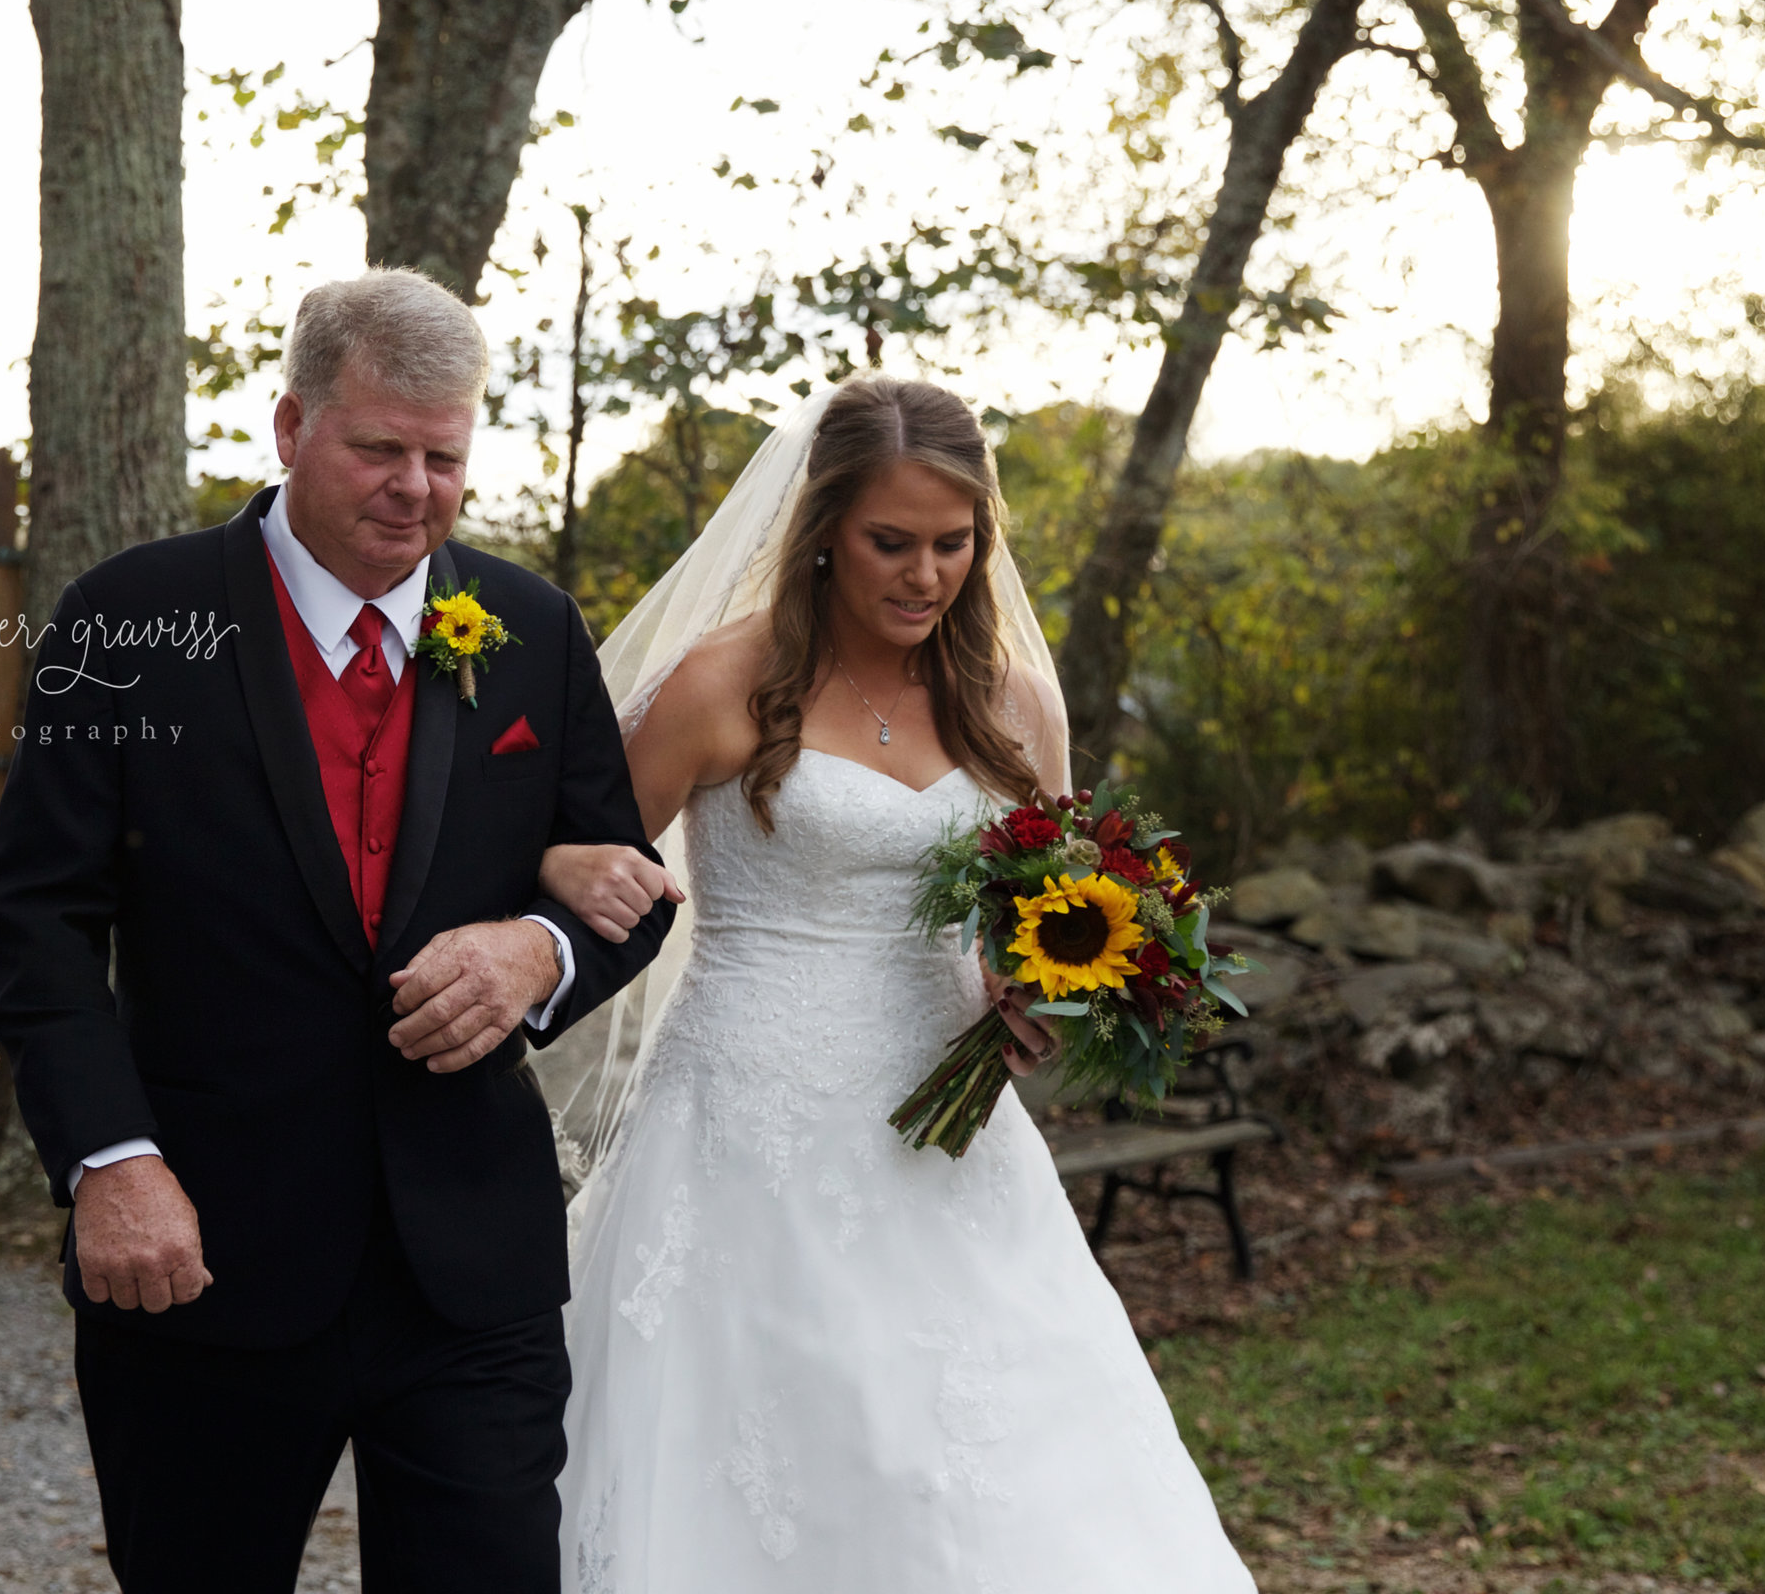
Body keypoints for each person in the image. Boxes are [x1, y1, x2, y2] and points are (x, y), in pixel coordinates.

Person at [0, 268, 675, 1593]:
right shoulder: (129, 618)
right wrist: (112, 1162)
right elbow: (38, 917)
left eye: (444, 458)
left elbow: (622, 887)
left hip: (472, 1266)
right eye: (379, 450)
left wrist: (542, 952)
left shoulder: (531, 629)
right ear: (293, 428)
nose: (416, 489)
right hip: (198, 1256)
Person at [533, 378, 1258, 1591]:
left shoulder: (1014, 702)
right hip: (746, 1134)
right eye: (891, 542)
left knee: (982, 1458)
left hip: (950, 1143)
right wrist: (556, 855)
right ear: (822, 528)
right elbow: (568, 851)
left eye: (952, 543)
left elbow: (1042, 900)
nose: (925, 574)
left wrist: (1037, 998)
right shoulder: (724, 682)